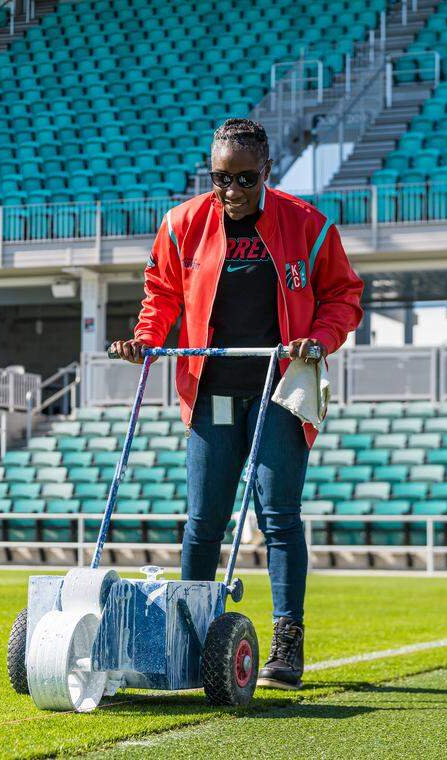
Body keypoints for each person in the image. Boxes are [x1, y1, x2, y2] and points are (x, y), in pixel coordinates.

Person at [110, 118, 363, 690]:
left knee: (278, 516)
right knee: (204, 521)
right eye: (220, 179)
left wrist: (318, 340)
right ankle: (189, 636)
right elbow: (162, 295)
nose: (231, 192)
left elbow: (344, 297)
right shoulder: (182, 225)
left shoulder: (308, 225)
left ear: (267, 172)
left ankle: (287, 643)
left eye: (245, 179)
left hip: (280, 388)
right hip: (212, 391)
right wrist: (146, 339)